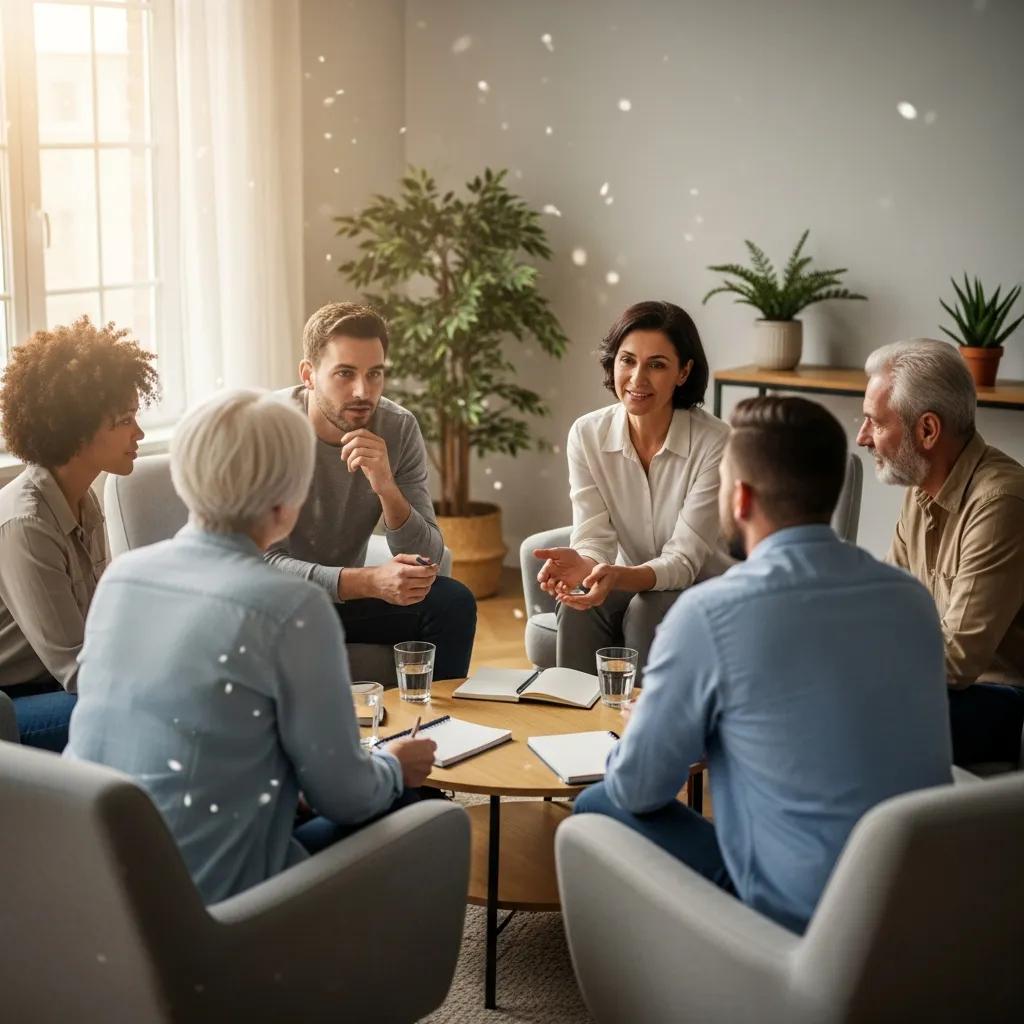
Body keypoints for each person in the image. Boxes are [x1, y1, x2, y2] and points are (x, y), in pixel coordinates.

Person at [575, 396, 952, 935]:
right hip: (919, 907)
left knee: (599, 801)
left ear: (742, 497)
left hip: (796, 921)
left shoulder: (710, 613)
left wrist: (643, 731)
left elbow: (639, 790)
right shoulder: (911, 600)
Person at [65, 389, 438, 904]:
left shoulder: (124, 577)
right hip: (219, 916)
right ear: (290, 493)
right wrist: (396, 764)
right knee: (419, 806)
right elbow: (348, 798)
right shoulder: (289, 607)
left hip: (96, 884)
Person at [268, 302, 476, 681]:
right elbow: (258, 566)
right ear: (308, 374)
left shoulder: (397, 428)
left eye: (375, 374)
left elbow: (428, 556)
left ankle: (437, 729)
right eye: (344, 374)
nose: (363, 391)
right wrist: (367, 581)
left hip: (342, 604)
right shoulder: (267, 430)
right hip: (274, 609)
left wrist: (386, 487)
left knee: (453, 602)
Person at [535, 300, 730, 677]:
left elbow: (684, 562)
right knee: (581, 603)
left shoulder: (716, 442)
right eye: (627, 360)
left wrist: (617, 576)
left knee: (648, 609)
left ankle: (639, 732)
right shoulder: (587, 434)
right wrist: (585, 564)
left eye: (657, 365)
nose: (637, 379)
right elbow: (594, 536)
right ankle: (573, 729)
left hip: (706, 588)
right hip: (634, 577)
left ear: (684, 372)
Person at [858, 339, 1024, 766]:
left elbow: (956, 662)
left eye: (874, 423)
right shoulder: (920, 490)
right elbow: (886, 606)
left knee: (848, 710)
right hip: (940, 687)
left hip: (1002, 700)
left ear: (927, 431)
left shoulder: (1000, 502)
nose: (862, 438)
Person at [0, 317, 156, 750]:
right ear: (75, 428)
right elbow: (77, 669)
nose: (138, 432)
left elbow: (104, 627)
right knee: (151, 708)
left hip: (52, 685)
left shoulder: (84, 500)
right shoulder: (26, 524)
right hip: (11, 706)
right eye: (124, 420)